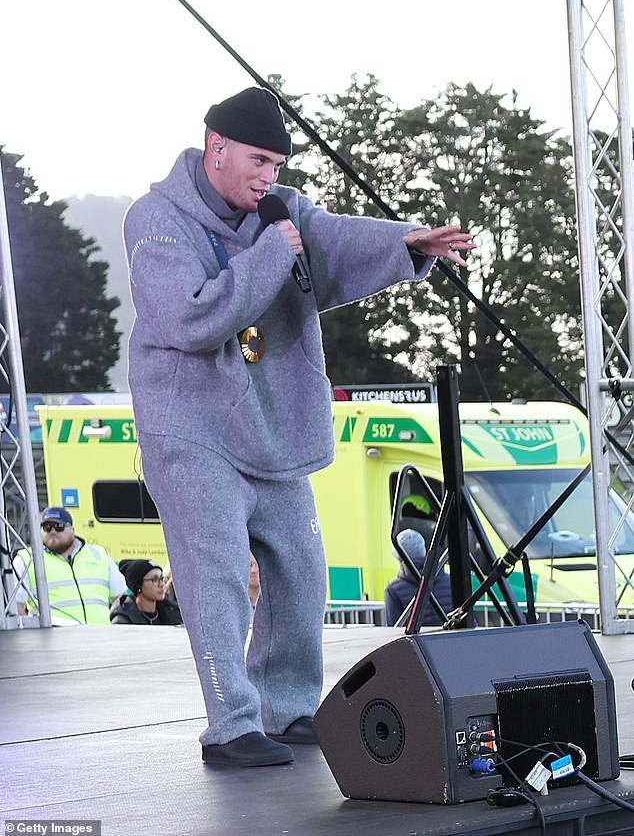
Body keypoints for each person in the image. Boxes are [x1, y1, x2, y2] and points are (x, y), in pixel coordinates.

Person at [123, 86, 474, 768]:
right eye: (258, 160)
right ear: (215, 147)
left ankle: (286, 706)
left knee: (304, 569)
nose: (268, 177)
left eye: (278, 166)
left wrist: (405, 243)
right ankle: (230, 722)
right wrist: (271, 253)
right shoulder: (156, 220)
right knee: (217, 569)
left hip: (267, 424)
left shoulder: (282, 214)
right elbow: (191, 319)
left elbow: (334, 236)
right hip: (188, 424)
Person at [13, 506, 127, 625]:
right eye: (47, 527)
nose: (53, 531)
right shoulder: (27, 559)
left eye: (59, 527)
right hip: (54, 641)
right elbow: (16, 608)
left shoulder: (99, 554)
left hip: (101, 637)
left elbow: (120, 598)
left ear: (72, 530)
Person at [384, 527, 453, 626]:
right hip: (448, 639)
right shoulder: (450, 581)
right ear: (424, 550)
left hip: (417, 641)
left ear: (399, 557)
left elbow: (393, 629)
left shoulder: (393, 590)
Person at [110, 559, 183, 625]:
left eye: (161, 578)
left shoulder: (171, 614)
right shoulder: (123, 620)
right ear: (138, 586)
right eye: (154, 580)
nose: (161, 584)